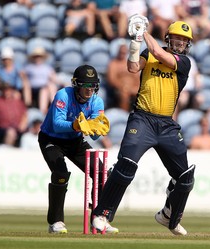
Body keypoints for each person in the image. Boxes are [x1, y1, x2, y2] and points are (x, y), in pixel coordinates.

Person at [92, 15, 195, 236]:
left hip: (167, 125)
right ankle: (102, 214)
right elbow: (132, 67)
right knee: (126, 165)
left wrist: (142, 31)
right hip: (143, 119)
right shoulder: (149, 53)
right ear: (168, 37)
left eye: (184, 40)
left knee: (185, 177)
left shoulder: (184, 63)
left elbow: (159, 53)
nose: (180, 42)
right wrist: (136, 42)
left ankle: (169, 216)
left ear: (188, 44)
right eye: (176, 38)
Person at [38, 64, 115, 234]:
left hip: (75, 141)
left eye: (93, 86)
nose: (89, 90)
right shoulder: (63, 95)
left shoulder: (97, 101)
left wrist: (98, 130)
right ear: (76, 84)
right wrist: (76, 125)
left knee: (103, 173)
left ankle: (99, 217)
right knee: (60, 175)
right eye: (85, 85)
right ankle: (55, 222)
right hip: (51, 139)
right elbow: (57, 125)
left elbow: (94, 135)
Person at [106, 42, 140, 111]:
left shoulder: (131, 64)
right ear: (118, 52)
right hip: (120, 89)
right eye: (121, 52)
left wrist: (134, 88)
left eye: (124, 52)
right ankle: (124, 116)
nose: (122, 54)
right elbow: (111, 80)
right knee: (124, 94)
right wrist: (123, 87)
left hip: (132, 87)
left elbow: (137, 78)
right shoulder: (113, 64)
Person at [24, 47, 58, 114]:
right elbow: (23, 75)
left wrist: (64, 83)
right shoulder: (29, 67)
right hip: (34, 87)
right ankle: (45, 110)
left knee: (48, 87)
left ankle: (52, 106)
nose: (38, 58)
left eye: (39, 56)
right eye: (36, 56)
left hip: (45, 86)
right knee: (45, 88)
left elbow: (54, 78)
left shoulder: (47, 68)